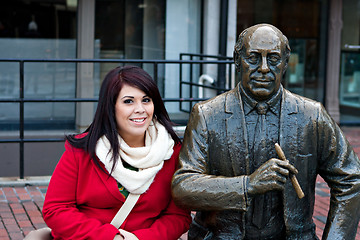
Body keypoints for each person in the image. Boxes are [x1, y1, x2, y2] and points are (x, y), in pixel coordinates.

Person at [171, 23, 360, 239]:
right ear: (237, 60)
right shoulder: (207, 115)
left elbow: (351, 180)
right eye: (253, 58)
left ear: (285, 63)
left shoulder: (312, 116)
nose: (263, 68)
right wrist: (247, 185)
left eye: (273, 58)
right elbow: (183, 187)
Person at [35, 65, 191, 240]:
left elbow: (178, 217)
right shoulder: (82, 150)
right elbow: (56, 209)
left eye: (146, 100)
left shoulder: (172, 152)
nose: (140, 109)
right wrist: (111, 238)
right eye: (128, 101)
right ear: (111, 106)